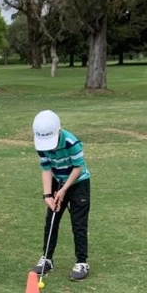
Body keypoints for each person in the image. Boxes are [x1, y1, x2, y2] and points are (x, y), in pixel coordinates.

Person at [31, 110, 91, 281]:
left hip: (78, 183)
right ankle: (47, 259)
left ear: (58, 130)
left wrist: (64, 190)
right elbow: (46, 169)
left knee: (78, 224)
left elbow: (78, 167)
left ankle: (82, 262)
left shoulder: (72, 142)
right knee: (51, 221)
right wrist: (47, 195)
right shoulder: (41, 144)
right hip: (57, 182)